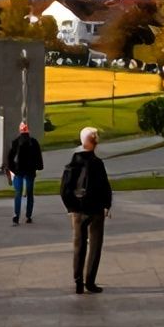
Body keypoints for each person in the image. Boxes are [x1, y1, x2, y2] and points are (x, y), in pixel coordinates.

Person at [62, 126, 113, 294]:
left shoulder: (73, 163)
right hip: (96, 209)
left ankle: (78, 281)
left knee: (79, 245)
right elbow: (105, 186)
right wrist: (107, 205)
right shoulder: (97, 163)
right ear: (93, 143)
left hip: (78, 210)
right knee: (95, 245)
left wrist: (71, 206)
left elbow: (65, 188)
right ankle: (90, 281)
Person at [4, 121, 43, 226]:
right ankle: (28, 216)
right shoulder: (33, 142)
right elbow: (38, 156)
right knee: (29, 193)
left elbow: (10, 158)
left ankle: (16, 215)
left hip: (19, 171)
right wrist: (39, 167)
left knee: (18, 193)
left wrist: (12, 169)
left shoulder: (16, 142)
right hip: (29, 171)